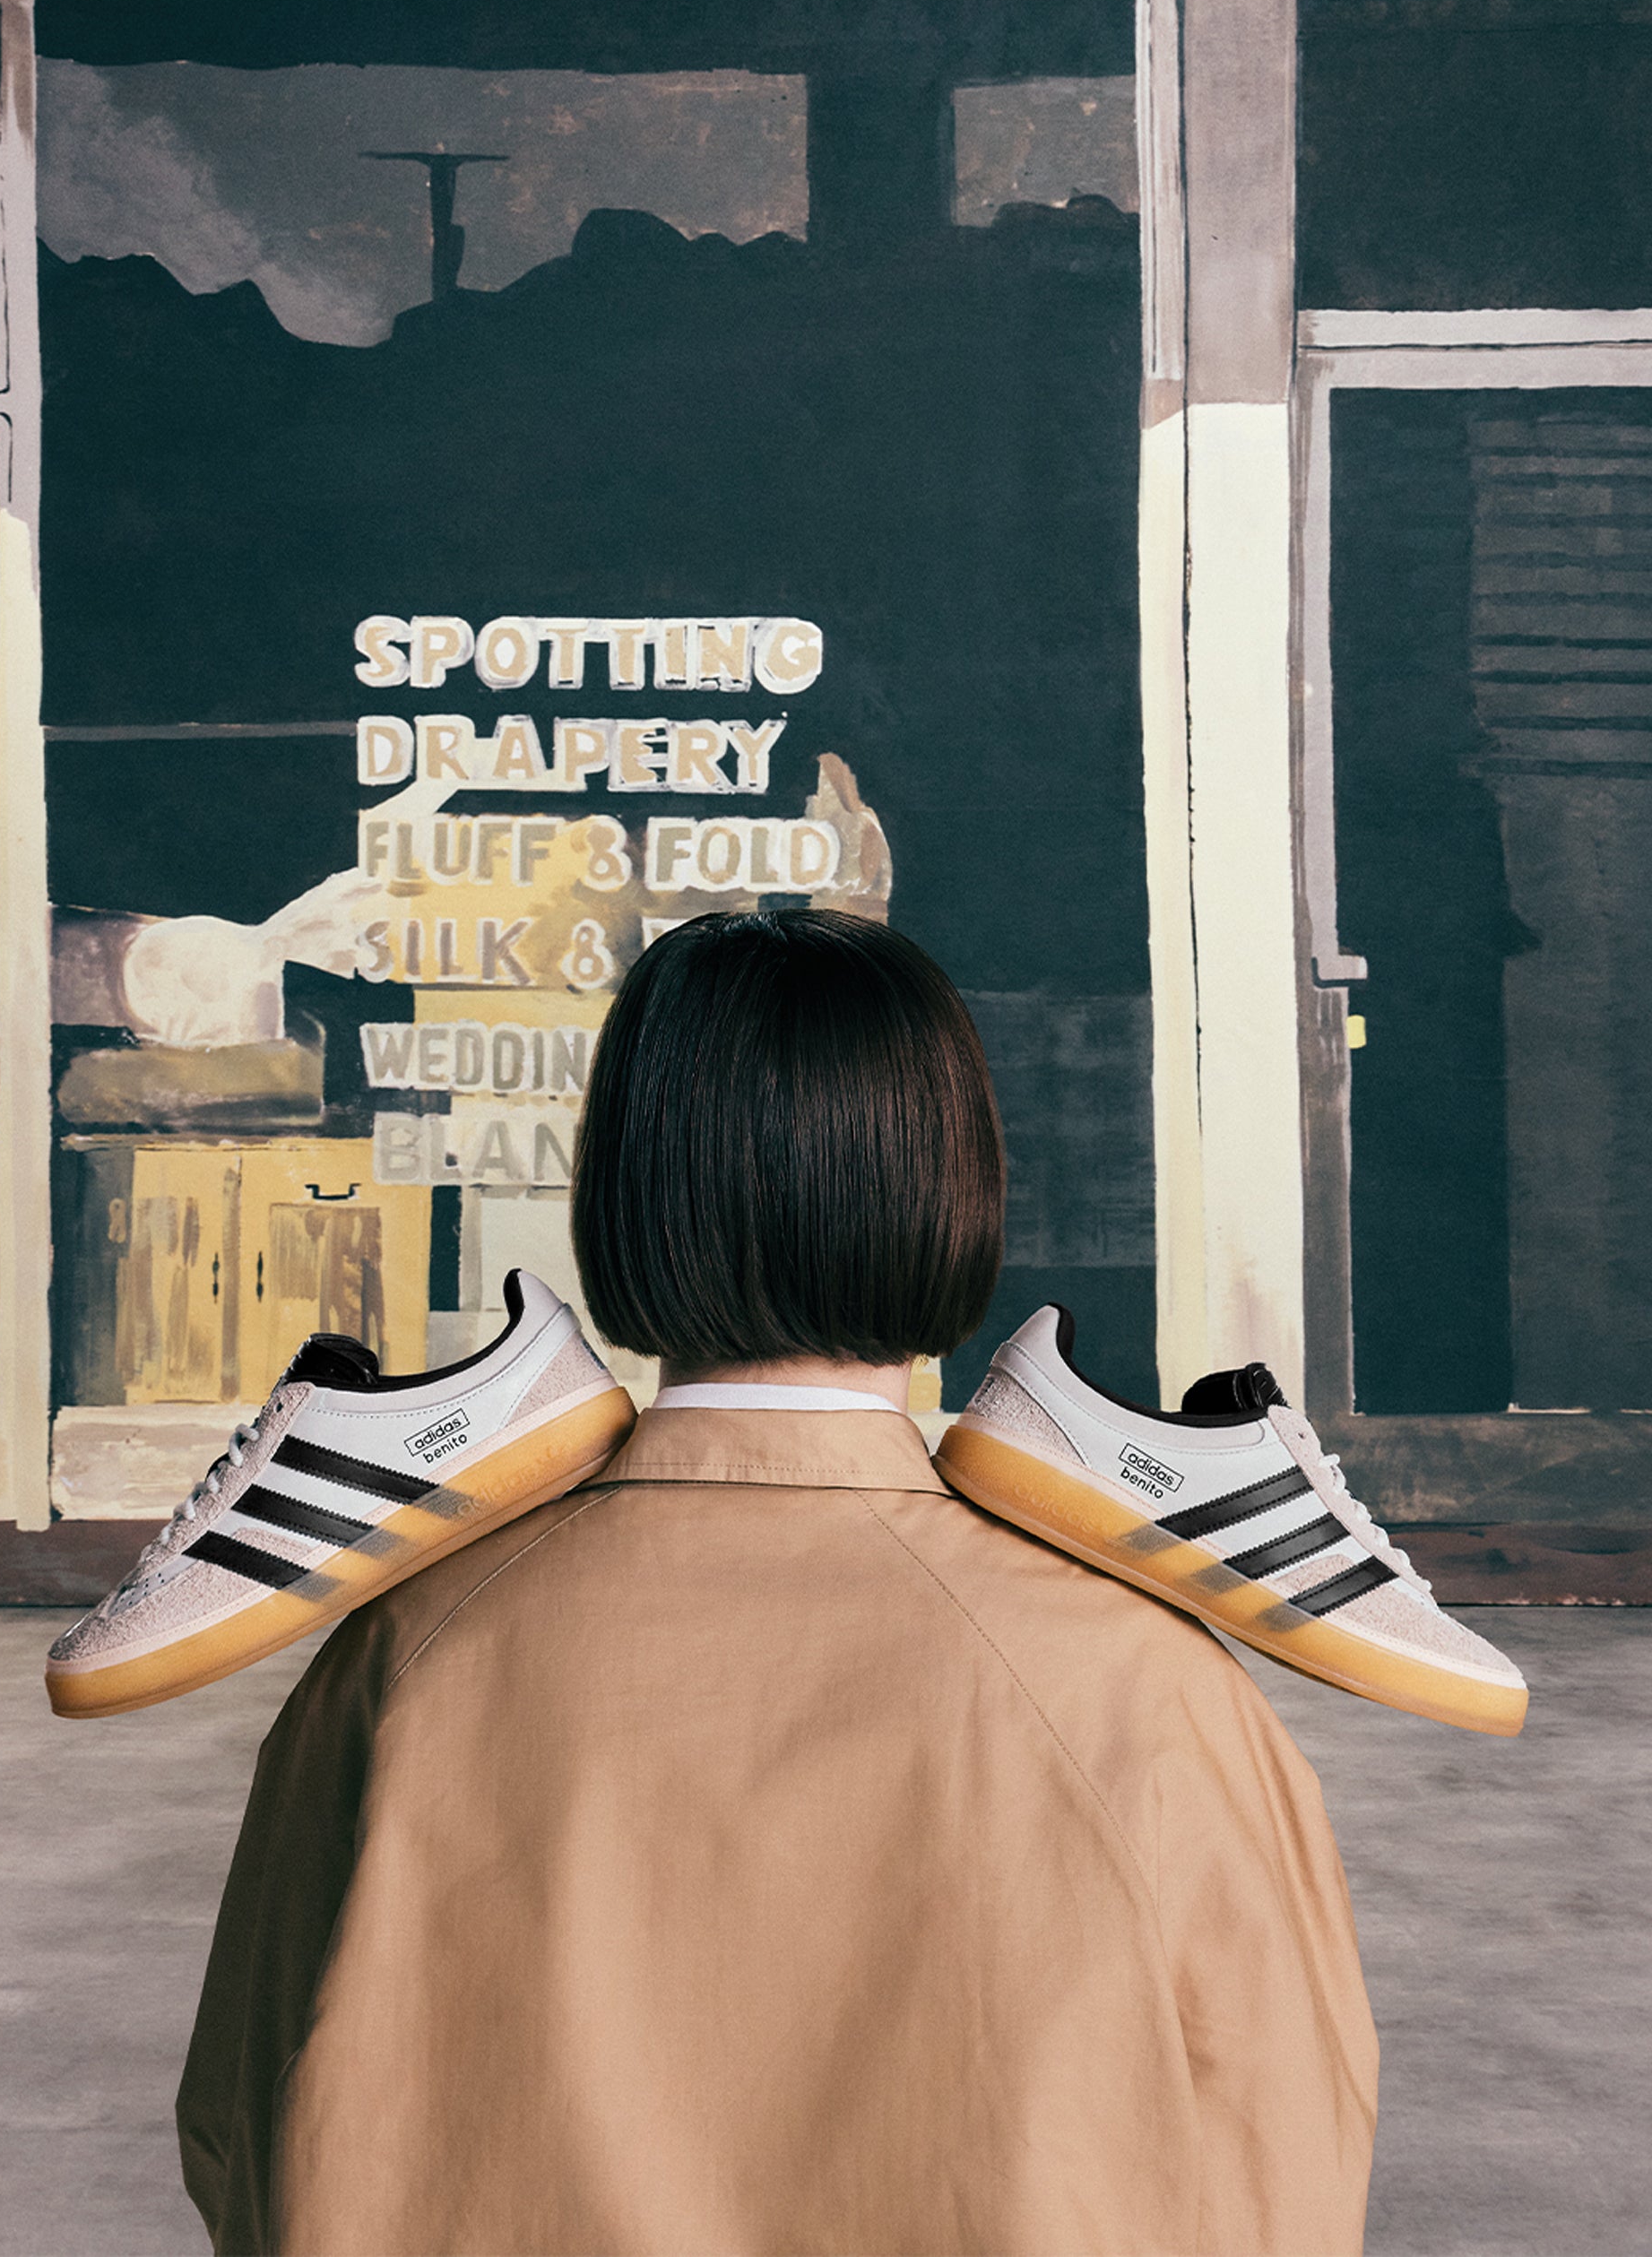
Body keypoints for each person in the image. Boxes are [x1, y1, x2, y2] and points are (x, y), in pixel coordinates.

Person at [178, 910, 1377, 2257]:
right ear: (956, 1197)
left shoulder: (406, 1652)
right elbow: (1285, 2155)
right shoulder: (1151, 1681)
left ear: (621, 1197)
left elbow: (243, 2127)